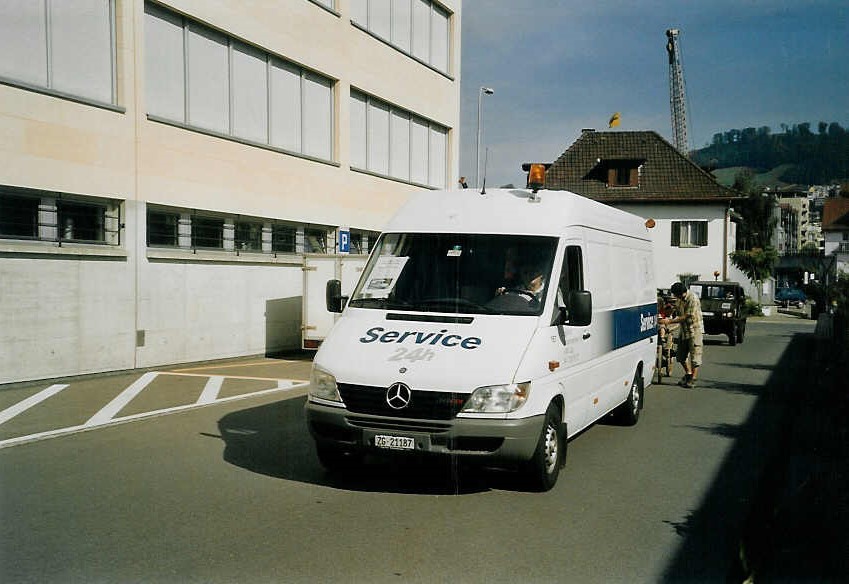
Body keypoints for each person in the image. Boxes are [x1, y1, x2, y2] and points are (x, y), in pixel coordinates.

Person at [659, 282, 703, 388]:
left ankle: (693, 379)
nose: (675, 297)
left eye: (676, 295)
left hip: (694, 330)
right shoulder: (679, 299)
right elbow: (675, 311)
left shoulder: (693, 299)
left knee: (695, 356)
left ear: (681, 293)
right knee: (680, 356)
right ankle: (688, 374)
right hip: (684, 331)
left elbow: (687, 316)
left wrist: (669, 322)